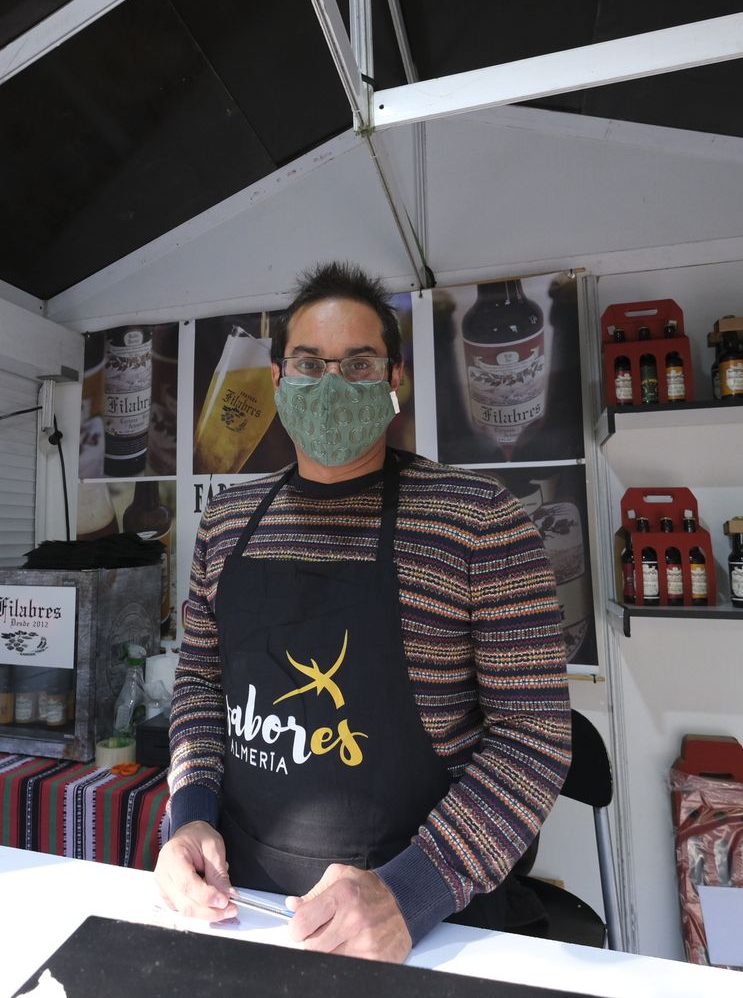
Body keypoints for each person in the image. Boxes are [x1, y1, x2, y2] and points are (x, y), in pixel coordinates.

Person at [154, 262, 573, 961]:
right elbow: (200, 685)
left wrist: (411, 891)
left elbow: (533, 736)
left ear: (395, 380)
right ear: (280, 380)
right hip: (243, 908)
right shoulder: (227, 520)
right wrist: (189, 818)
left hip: (425, 926)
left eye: (358, 363)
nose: (332, 382)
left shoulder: (478, 521)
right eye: (310, 363)